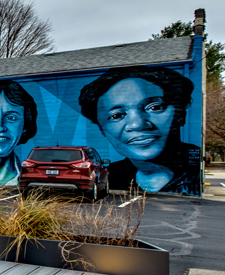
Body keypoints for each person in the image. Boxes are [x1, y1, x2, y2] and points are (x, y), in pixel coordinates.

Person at [78, 66, 200, 194]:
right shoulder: (109, 176)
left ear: (180, 114)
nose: (137, 124)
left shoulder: (196, 174)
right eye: (117, 116)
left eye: (154, 107)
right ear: (102, 129)